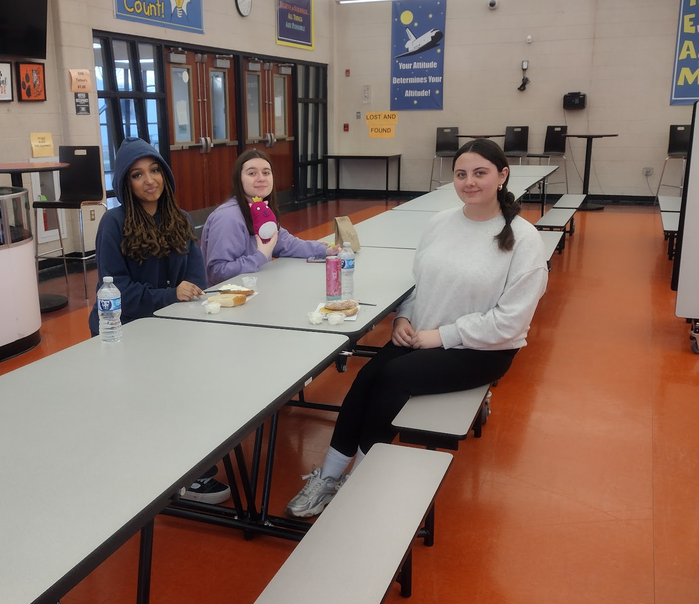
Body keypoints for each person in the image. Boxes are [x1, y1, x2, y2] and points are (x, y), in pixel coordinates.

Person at [285, 137, 549, 518]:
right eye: (461, 174)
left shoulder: (523, 240)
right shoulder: (440, 223)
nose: (469, 182)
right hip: (422, 336)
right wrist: (403, 318)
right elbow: (418, 284)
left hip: (481, 350)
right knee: (366, 378)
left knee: (392, 379)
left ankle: (359, 481)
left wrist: (440, 336)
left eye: (480, 173)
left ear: (502, 176)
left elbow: (511, 321)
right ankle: (326, 475)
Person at [89, 136, 228, 504]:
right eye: (137, 175)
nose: (149, 180)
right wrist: (169, 296)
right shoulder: (113, 223)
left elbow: (196, 280)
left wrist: (182, 297)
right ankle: (178, 476)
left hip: (171, 326)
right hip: (124, 330)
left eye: (154, 170)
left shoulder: (180, 219)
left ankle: (188, 465)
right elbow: (114, 290)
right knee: (158, 398)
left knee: (199, 383)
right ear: (126, 184)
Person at [201, 148, 333, 286]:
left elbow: (286, 244)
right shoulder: (227, 217)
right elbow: (218, 272)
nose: (261, 178)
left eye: (266, 173)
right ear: (238, 179)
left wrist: (325, 250)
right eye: (252, 173)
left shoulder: (261, 209)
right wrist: (260, 257)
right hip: (224, 298)